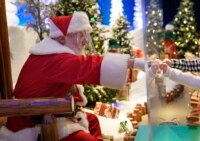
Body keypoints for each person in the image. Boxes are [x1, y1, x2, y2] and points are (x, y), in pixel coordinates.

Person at [0, 11, 144, 141]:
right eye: (79, 35)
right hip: (33, 125)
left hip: (49, 113)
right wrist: (135, 62)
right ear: (62, 38)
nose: (84, 41)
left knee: (92, 120)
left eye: (85, 35)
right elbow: (89, 65)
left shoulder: (52, 55)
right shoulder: (55, 58)